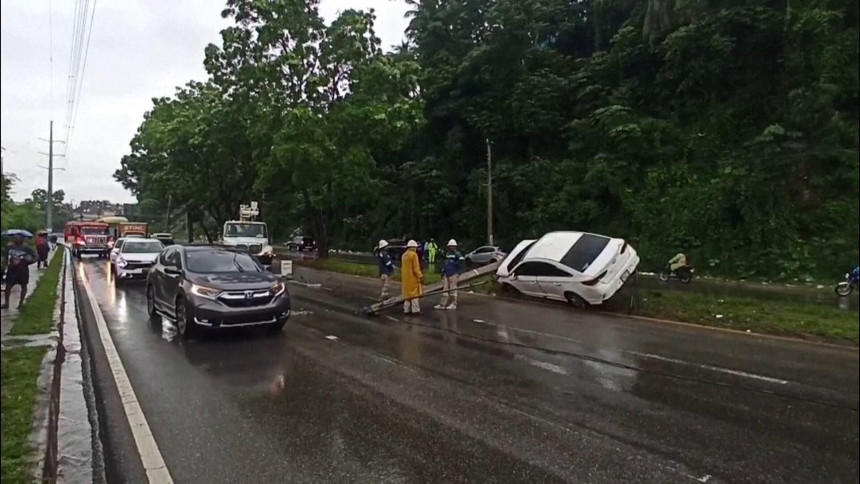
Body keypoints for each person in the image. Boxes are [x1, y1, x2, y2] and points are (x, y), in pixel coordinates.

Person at [2, 235, 36, 309]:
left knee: (24, 285)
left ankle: (21, 303)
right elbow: (6, 257)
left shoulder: (27, 248)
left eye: (17, 238)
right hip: (12, 269)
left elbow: (35, 256)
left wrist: (28, 262)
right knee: (8, 286)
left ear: (22, 239)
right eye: (14, 238)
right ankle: (6, 303)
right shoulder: (9, 247)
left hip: (22, 269)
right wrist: (5, 267)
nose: (15, 239)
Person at [435, 239, 465, 310]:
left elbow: (461, 261)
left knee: (453, 289)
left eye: (452, 246)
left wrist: (457, 271)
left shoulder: (457, 254)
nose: (451, 247)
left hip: (453, 273)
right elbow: (446, 263)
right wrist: (443, 272)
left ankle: (453, 304)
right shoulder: (448, 254)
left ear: (455, 246)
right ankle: (442, 304)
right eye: (450, 246)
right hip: (447, 273)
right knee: (445, 289)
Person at [401, 240, 424, 314]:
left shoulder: (404, 255)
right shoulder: (413, 255)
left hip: (405, 279)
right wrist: (420, 276)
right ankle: (415, 310)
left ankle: (406, 310)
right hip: (412, 279)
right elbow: (416, 268)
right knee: (414, 296)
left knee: (407, 296)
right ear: (413, 247)